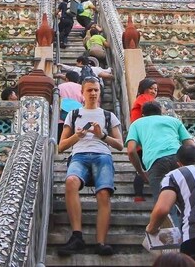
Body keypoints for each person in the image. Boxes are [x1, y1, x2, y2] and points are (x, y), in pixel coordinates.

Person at [57, 77, 123, 257]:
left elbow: (120, 145)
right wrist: (77, 136)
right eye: (89, 90)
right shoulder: (74, 114)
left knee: (103, 193)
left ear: (100, 92)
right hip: (79, 154)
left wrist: (102, 136)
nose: (93, 93)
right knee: (71, 181)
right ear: (82, 93)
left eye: (96, 90)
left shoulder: (109, 115)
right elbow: (61, 146)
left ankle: (101, 241)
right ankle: (77, 236)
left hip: (102, 155)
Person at [127, 101, 194, 219]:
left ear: (143, 114)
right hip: (179, 159)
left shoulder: (137, 124)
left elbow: (131, 150)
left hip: (155, 163)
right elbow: (191, 146)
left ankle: (174, 233)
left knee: (164, 206)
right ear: (161, 112)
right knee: (187, 200)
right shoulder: (173, 121)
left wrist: (141, 172)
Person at [130, 78, 158, 201]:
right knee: (144, 167)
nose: (153, 91)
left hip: (140, 139)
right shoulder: (145, 98)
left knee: (142, 168)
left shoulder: (140, 99)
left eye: (156, 90)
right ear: (144, 89)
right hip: (145, 139)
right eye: (151, 88)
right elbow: (153, 109)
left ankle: (139, 196)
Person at [57, 71, 85, 140]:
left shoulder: (60, 87)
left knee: (60, 138)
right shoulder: (82, 88)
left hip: (62, 117)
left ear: (66, 79)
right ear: (78, 80)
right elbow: (85, 102)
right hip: (77, 116)